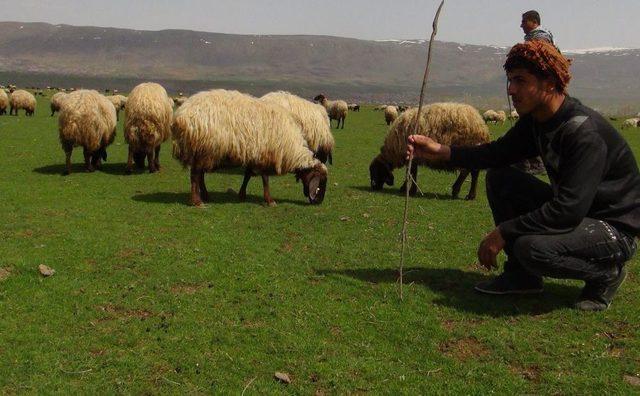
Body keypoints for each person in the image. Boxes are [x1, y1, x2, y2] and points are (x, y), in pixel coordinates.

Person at [406, 40, 640, 311]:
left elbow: (568, 209)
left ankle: (605, 275)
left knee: (532, 248)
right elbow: (496, 154)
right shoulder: (537, 120)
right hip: (578, 212)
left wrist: (503, 232)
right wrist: (442, 151)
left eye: (520, 80)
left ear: (549, 83)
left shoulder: (582, 132)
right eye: (509, 80)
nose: (511, 89)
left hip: (613, 228)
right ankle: (523, 276)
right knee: (500, 177)